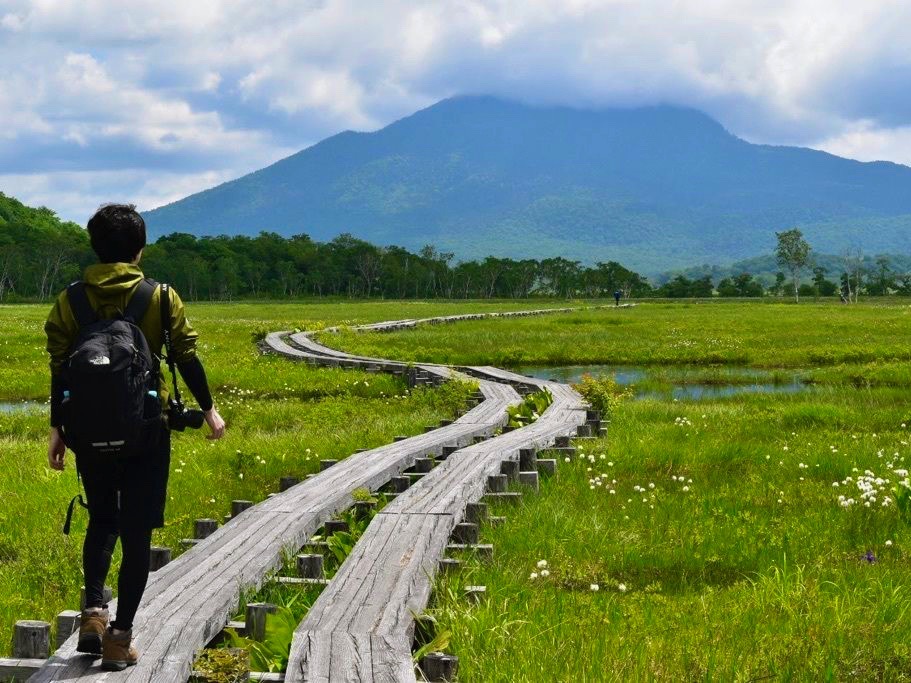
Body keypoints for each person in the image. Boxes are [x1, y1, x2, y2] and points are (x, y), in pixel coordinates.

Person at [45, 204, 226, 671]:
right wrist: (208, 410)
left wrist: (57, 428)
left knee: (101, 519)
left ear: (95, 248)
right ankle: (119, 638)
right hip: (149, 430)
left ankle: (91, 614)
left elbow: (60, 367)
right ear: (140, 249)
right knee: (137, 533)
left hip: (88, 433)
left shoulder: (70, 300)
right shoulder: (160, 297)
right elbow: (186, 356)